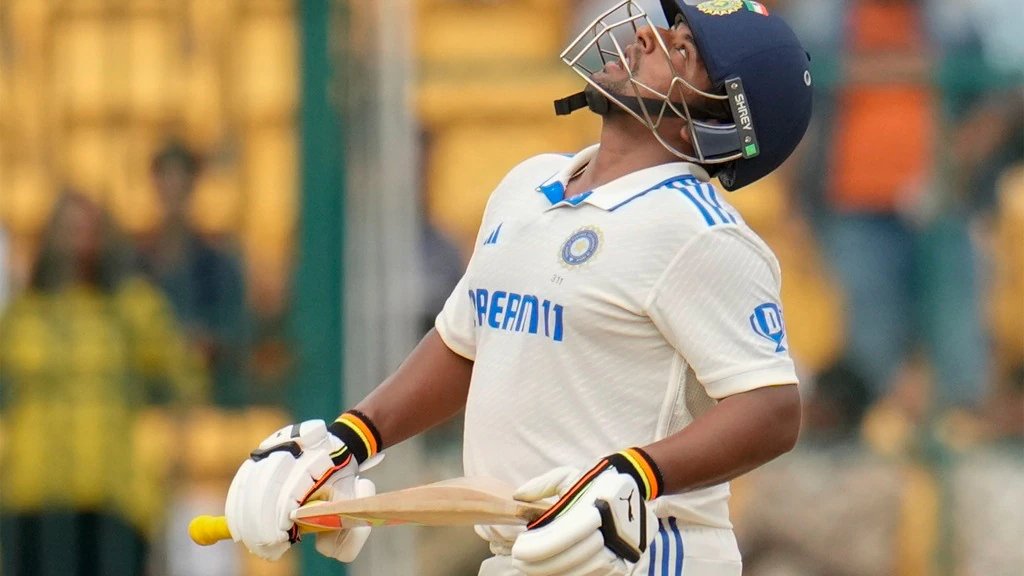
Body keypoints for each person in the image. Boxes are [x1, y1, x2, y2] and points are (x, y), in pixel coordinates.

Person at [224, 1, 812, 574]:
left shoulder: (701, 235)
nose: (647, 37)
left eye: (681, 51)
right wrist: (350, 440)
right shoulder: (527, 184)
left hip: (643, 556)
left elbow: (772, 409)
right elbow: (467, 341)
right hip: (521, 555)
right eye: (670, 27)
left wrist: (634, 474)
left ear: (707, 124)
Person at [0, 192, 206, 576]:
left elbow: (183, 377)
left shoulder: (131, 307)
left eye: (88, 231)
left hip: (111, 493)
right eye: (69, 230)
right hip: (32, 492)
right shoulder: (23, 314)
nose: (78, 242)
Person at [136, 141, 250, 407]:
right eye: (166, 179)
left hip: (205, 396)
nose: (173, 189)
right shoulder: (137, 259)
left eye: (180, 180)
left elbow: (232, 331)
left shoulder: (216, 264)